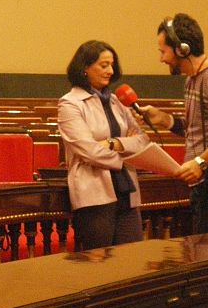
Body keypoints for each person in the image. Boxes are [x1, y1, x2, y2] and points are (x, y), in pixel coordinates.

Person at [139, 14, 208, 234]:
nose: (162, 59)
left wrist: (200, 162)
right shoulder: (192, 80)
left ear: (183, 49)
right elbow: (199, 131)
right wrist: (164, 119)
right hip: (206, 182)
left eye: (163, 51)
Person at [58, 40, 151, 251]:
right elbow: (89, 151)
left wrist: (114, 143)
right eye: (103, 65)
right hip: (94, 196)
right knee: (100, 267)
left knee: (131, 261)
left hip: (126, 192)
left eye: (112, 65)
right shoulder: (70, 104)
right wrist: (128, 156)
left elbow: (143, 139)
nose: (110, 70)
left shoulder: (118, 101)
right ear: (84, 67)